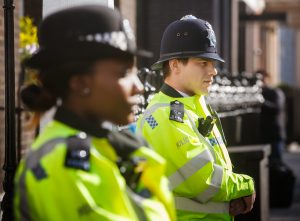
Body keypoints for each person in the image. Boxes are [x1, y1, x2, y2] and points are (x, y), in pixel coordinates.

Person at [14, 5, 176, 221]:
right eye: (124, 73)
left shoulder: (110, 144)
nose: (139, 86)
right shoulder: (60, 163)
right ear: (81, 83)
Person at [137, 15, 255, 220]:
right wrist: (245, 186)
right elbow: (205, 181)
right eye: (203, 62)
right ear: (175, 65)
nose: (214, 71)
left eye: (213, 63)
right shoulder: (166, 115)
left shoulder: (194, 105)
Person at [256, 70, 286, 162]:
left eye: (262, 79)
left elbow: (277, 108)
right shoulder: (259, 93)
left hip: (275, 135)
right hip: (263, 136)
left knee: (276, 163)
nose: (260, 81)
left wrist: (262, 102)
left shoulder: (276, 92)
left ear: (268, 79)